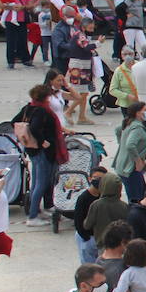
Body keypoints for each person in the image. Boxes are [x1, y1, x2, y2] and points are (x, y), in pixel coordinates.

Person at [15, 82, 67, 226]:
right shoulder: (42, 111)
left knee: (36, 182)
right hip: (43, 151)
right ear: (45, 98)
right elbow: (35, 128)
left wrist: (25, 138)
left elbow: (15, 121)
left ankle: (36, 210)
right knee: (41, 183)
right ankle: (33, 216)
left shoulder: (28, 107)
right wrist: (43, 141)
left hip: (31, 150)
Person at [72, 167, 108, 264]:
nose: (98, 181)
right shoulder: (83, 198)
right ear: (89, 178)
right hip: (87, 236)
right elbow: (78, 220)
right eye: (95, 178)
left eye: (102, 178)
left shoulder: (105, 196)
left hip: (100, 237)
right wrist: (86, 237)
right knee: (88, 266)